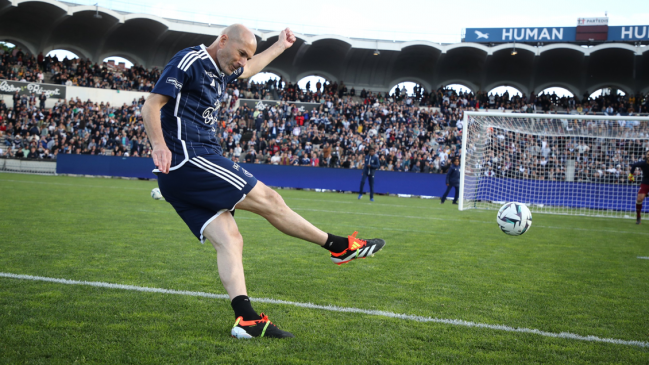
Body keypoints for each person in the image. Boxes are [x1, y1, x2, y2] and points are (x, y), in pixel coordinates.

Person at [141, 24, 385, 340]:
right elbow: (151, 104)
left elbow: (249, 70)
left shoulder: (222, 69)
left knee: (230, 239)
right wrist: (158, 145)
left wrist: (281, 46)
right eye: (241, 53)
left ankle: (247, 320)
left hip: (181, 174)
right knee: (270, 200)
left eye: (247, 56)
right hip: (191, 159)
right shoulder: (191, 60)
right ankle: (339, 246)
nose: (243, 61)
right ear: (223, 40)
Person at [629, 150, 649, 224]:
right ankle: (638, 217)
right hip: (645, 183)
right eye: (648, 154)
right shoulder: (643, 163)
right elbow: (634, 165)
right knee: (639, 200)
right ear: (645, 156)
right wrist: (631, 174)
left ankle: (646, 193)